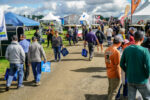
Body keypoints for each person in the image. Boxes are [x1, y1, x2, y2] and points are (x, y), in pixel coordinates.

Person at [120, 31, 150, 100]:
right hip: (142, 80)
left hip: (130, 79)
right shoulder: (145, 50)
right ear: (142, 39)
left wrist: (127, 71)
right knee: (147, 97)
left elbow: (121, 63)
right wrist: (146, 75)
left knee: (131, 98)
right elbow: (148, 66)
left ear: (134, 38)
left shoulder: (126, 49)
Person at [104, 36, 122, 100]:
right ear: (119, 43)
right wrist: (119, 76)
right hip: (114, 74)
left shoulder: (107, 50)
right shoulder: (116, 52)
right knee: (114, 92)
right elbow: (117, 65)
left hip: (109, 72)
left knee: (110, 89)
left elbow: (107, 61)